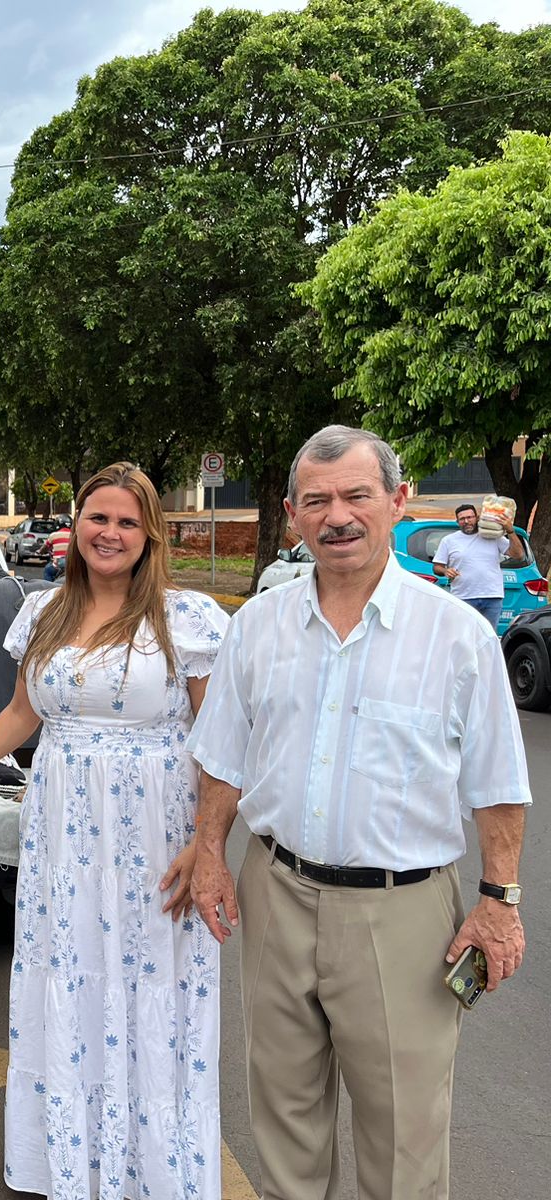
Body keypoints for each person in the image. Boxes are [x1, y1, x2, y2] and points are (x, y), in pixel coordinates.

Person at [189, 426, 531, 1200]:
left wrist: (498, 905)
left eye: (355, 496)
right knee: (282, 1123)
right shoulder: (257, 627)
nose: (336, 516)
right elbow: (222, 759)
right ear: (291, 515)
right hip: (275, 892)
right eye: (316, 500)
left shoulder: (458, 638)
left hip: (404, 912)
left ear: (398, 501)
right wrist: (211, 852)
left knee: (404, 1144)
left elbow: (500, 785)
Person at [0, 461, 229, 1198]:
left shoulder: (188, 618)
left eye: (126, 522)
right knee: (70, 972)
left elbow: (219, 741)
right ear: (75, 525)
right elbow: (24, 713)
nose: (109, 533)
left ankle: (151, 1165)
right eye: (97, 518)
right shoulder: (42, 610)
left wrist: (207, 845)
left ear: (149, 536)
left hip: (155, 827)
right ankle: (73, 1158)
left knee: (149, 980)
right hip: (64, 826)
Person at [432, 500, 527, 632]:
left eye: (469, 517)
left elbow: (518, 555)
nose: (466, 521)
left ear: (477, 518)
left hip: (492, 597)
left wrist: (510, 531)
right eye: (462, 519)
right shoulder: (449, 541)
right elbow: (437, 567)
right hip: (463, 597)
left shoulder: (493, 536)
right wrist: (446, 571)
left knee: (488, 638)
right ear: (457, 522)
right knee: (463, 637)